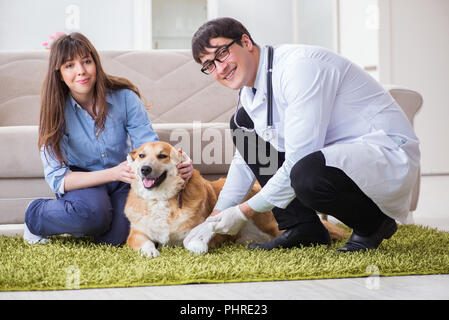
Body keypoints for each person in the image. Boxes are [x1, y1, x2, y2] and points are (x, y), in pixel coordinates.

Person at [185, 17, 420, 252]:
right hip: (334, 153)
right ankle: (304, 228)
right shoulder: (251, 92)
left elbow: (299, 157)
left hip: (383, 151)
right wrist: (216, 217)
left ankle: (372, 225)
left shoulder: (301, 67)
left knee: (306, 174)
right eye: (209, 65)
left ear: (245, 42)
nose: (220, 68)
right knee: (243, 124)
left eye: (222, 54)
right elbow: (247, 159)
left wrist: (243, 212)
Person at [24, 32, 193, 246]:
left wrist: (178, 163)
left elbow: (148, 146)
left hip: (121, 179)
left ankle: (92, 221)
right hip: (83, 180)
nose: (81, 71)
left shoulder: (124, 98)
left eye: (86, 61)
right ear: (59, 73)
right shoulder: (55, 110)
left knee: (119, 236)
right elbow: (59, 178)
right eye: (69, 66)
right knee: (92, 214)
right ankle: (35, 215)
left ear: (96, 63)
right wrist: (112, 173)